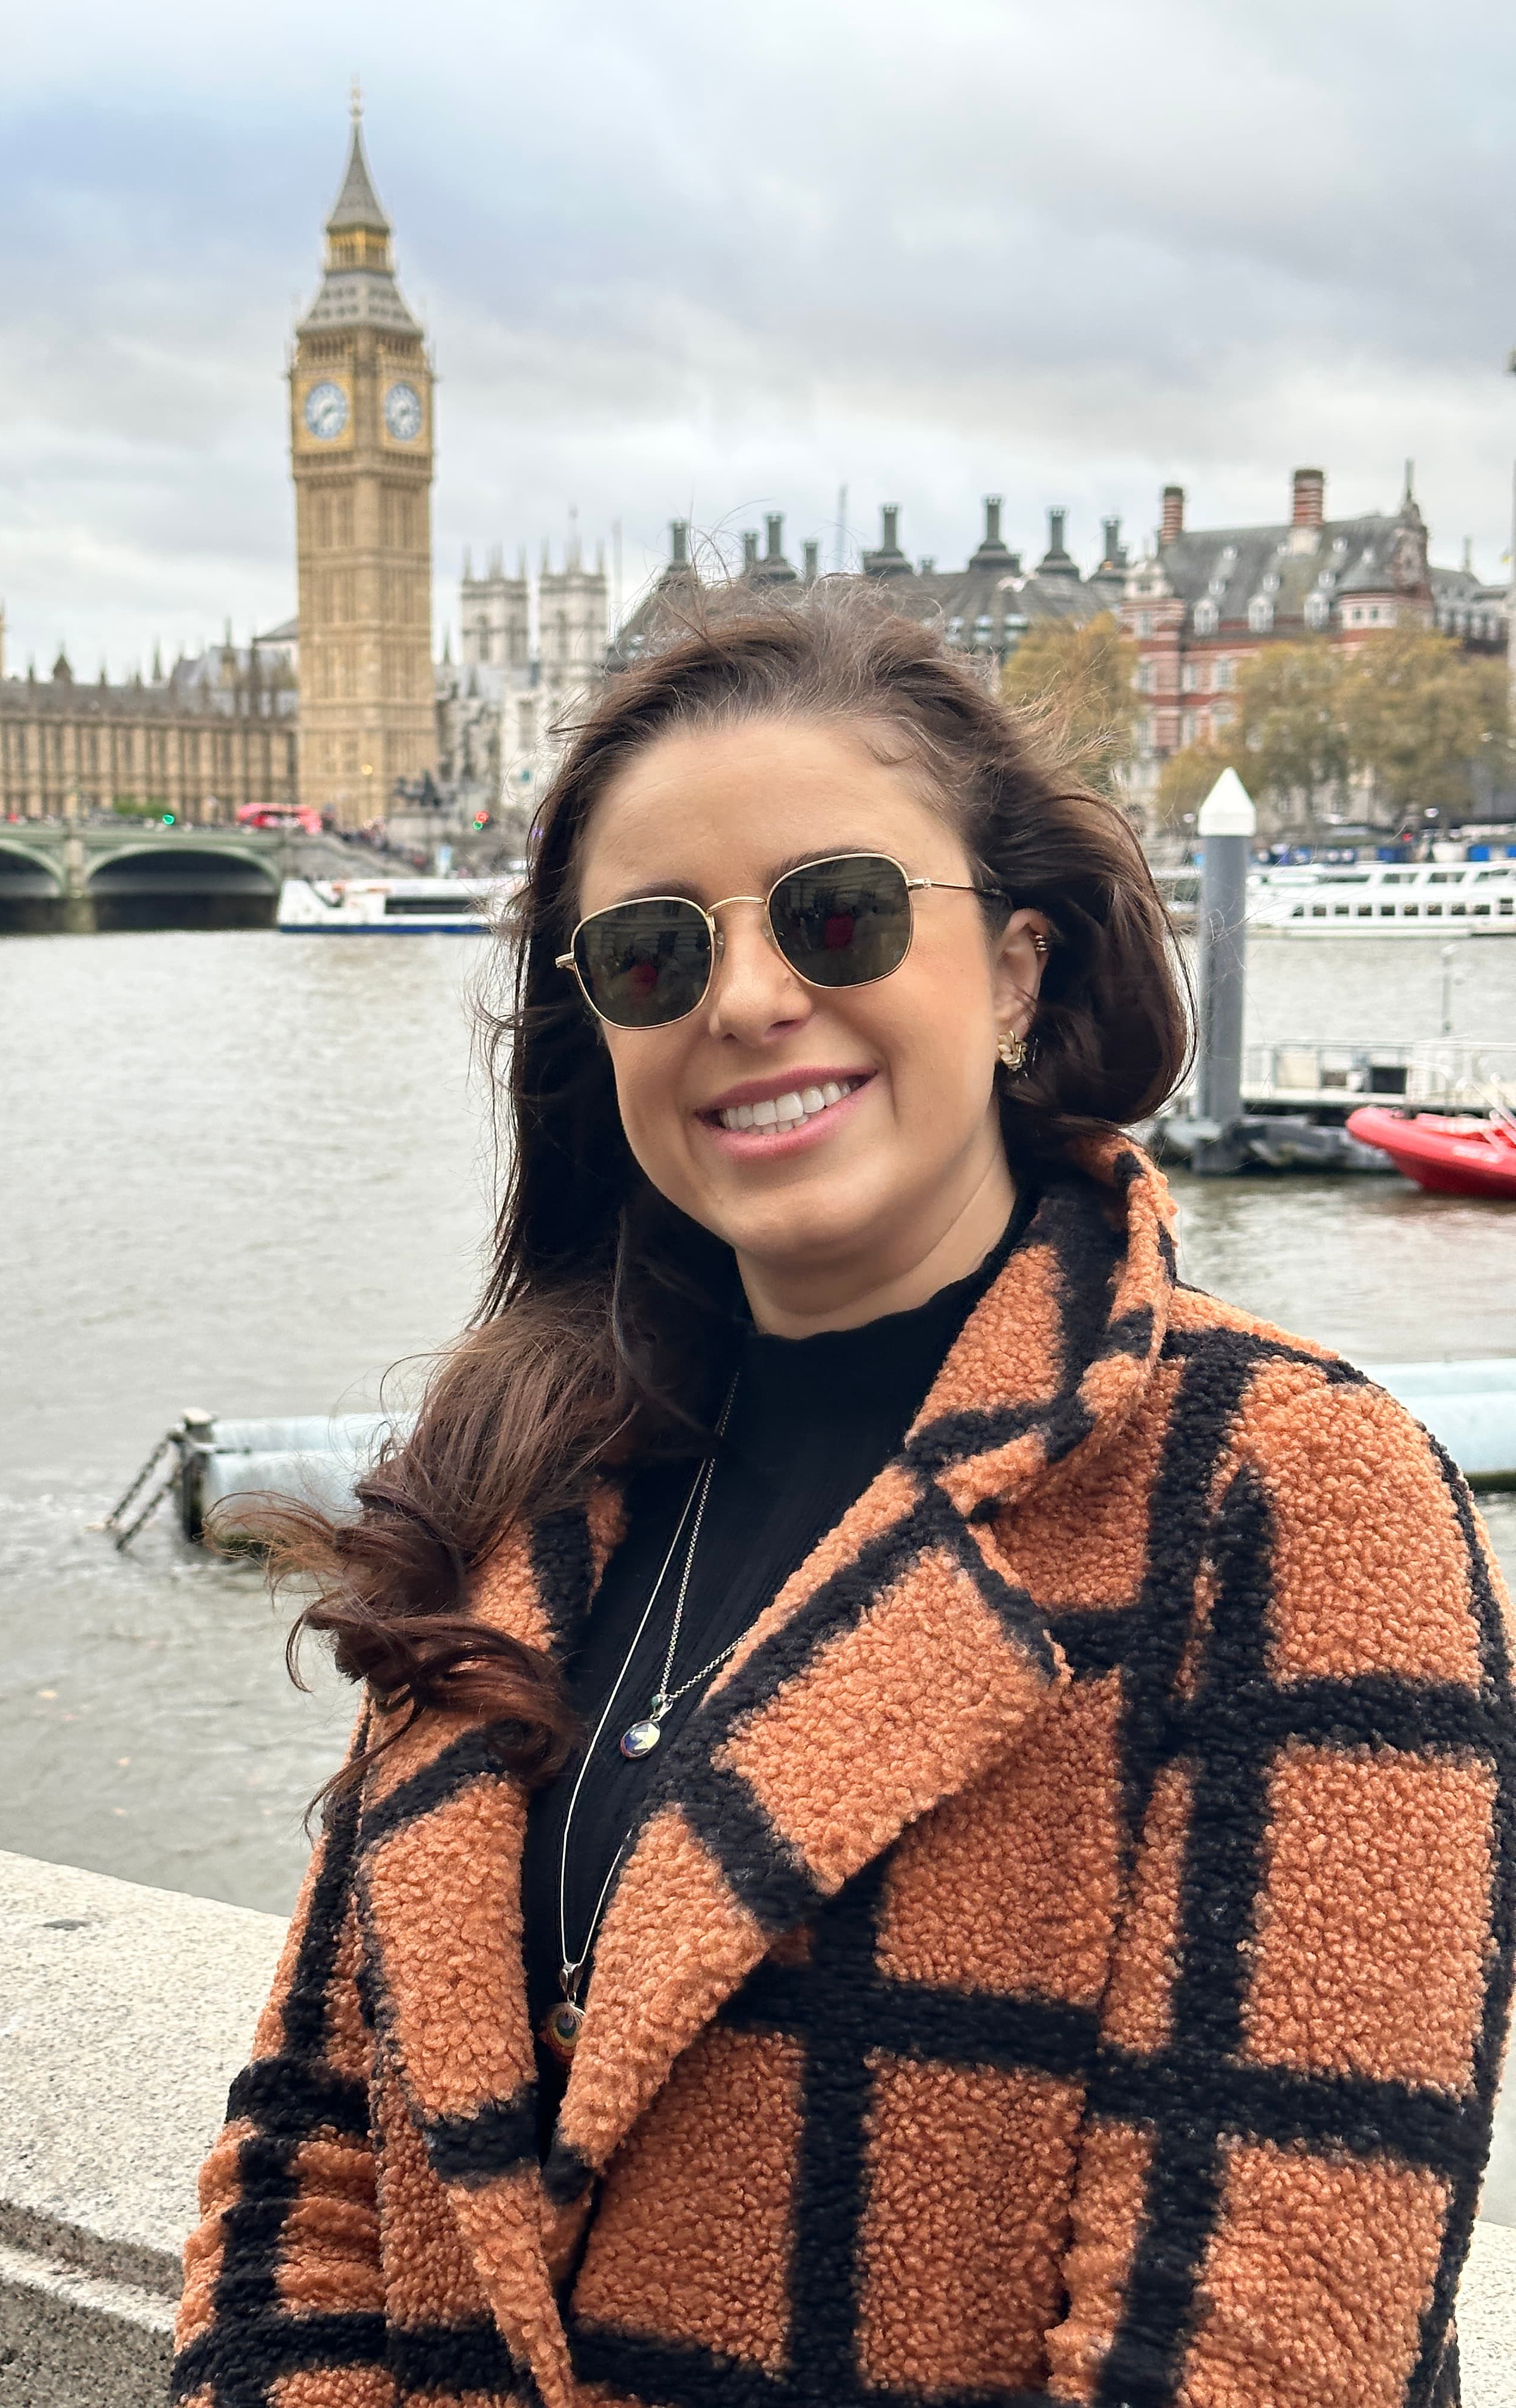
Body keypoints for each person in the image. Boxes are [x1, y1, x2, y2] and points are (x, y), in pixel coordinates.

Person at [173, 584, 1514, 2408]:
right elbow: (304, 2188)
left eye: (840, 913)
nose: (746, 999)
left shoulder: (1292, 1500)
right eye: (653, 954)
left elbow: (1258, 2338)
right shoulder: (522, 1493)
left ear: (1022, 969)